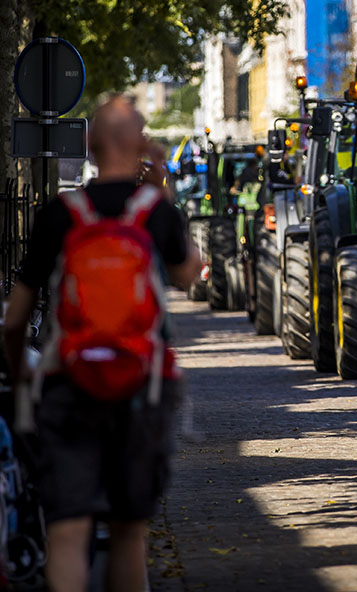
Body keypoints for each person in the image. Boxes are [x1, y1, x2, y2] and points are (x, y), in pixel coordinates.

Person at [2, 95, 200, 592]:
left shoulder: (58, 215)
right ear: (140, 145)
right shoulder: (155, 213)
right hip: (142, 388)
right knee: (130, 532)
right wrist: (163, 190)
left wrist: (23, 376)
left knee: (68, 528)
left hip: (68, 385)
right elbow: (189, 275)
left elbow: (14, 321)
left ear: (88, 149)